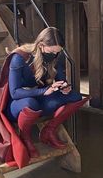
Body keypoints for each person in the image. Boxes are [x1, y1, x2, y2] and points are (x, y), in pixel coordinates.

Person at [5, 27, 87, 159]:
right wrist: (44, 90)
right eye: (52, 51)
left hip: (40, 98)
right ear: (41, 45)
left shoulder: (54, 57)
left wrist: (64, 87)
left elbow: (61, 79)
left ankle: (49, 131)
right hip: (17, 103)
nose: (55, 54)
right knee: (31, 103)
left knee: (76, 96)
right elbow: (14, 93)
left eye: (57, 52)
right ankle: (25, 137)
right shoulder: (19, 58)